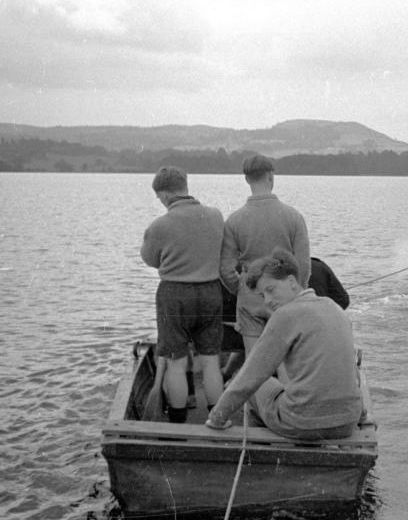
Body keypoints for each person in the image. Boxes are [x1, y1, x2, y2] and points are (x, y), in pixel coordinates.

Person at [206, 248, 362, 439]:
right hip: (347, 422)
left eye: (271, 290)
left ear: (291, 281)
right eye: (263, 296)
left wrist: (217, 418)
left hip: (302, 424)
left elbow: (251, 377)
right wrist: (363, 416)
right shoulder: (335, 308)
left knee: (245, 379)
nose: (268, 301)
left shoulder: (284, 315)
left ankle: (260, 450)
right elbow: (352, 373)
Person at [140, 166, 224, 423]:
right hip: (211, 291)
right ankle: (217, 418)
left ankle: (178, 422)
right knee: (210, 360)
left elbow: (150, 259)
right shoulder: (215, 216)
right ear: (185, 186)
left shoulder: (159, 225)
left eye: (159, 198)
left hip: (174, 294)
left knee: (176, 362)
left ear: (164, 195)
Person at [220, 154, 311, 375]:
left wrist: (243, 288)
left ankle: (255, 408)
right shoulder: (294, 217)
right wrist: (294, 292)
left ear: (247, 180)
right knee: (286, 360)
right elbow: (303, 264)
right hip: (283, 297)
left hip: (250, 299)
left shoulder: (234, 220)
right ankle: (286, 405)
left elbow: (224, 269)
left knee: (253, 364)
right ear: (271, 177)